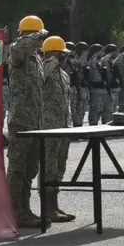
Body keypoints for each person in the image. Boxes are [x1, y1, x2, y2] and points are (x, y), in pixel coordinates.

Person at [6, 15, 47, 228]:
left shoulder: (36, 59)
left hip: (36, 122)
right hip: (20, 122)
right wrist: (30, 36)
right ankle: (15, 211)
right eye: (38, 37)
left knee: (31, 170)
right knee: (17, 170)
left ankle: (25, 209)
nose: (41, 42)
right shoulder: (18, 55)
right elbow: (14, 49)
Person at [40, 36, 75, 223]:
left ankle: (54, 205)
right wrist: (51, 59)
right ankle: (46, 208)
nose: (65, 58)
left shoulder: (63, 74)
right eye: (62, 55)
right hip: (48, 126)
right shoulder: (43, 68)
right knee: (48, 167)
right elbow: (40, 78)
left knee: (59, 167)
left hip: (63, 126)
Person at [85, 44, 106, 125]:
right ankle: (93, 124)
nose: (102, 53)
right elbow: (93, 66)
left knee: (100, 108)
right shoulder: (92, 61)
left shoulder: (99, 62)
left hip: (101, 88)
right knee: (94, 108)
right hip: (95, 88)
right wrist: (94, 56)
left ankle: (96, 124)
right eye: (100, 51)